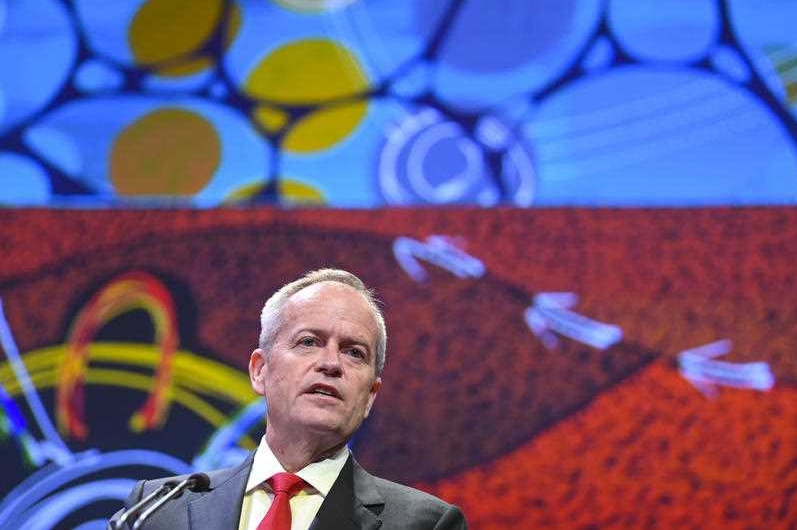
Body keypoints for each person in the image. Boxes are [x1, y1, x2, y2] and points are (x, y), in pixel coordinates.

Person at [109, 268, 467, 529]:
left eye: (354, 353)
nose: (330, 363)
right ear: (259, 370)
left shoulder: (425, 525)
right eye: (308, 342)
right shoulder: (157, 511)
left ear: (371, 395)